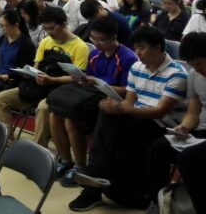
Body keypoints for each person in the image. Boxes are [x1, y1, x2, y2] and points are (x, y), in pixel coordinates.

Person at [69, 26, 188, 212]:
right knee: (107, 114)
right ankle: (95, 183)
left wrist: (120, 108)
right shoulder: (137, 67)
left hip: (162, 125)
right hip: (138, 117)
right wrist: (116, 107)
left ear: (157, 47)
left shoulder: (177, 74)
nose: (137, 53)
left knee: (112, 127)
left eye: (142, 48)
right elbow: (130, 101)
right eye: (135, 48)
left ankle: (93, 185)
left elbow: (159, 112)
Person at [50, 17, 137, 187]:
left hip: (111, 103)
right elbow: (89, 80)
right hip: (89, 98)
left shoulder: (128, 58)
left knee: (71, 120)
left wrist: (96, 83)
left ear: (113, 37)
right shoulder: (94, 54)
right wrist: (82, 79)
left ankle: (80, 167)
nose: (96, 43)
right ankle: (66, 161)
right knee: (55, 114)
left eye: (101, 40)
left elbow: (128, 91)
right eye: (93, 38)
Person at [0, 6, 89, 148]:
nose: (49, 32)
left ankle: (38, 149)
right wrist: (29, 73)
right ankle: (6, 144)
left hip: (60, 90)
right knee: (0, 99)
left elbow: (77, 79)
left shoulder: (80, 47)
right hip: (38, 86)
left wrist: (51, 80)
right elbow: (36, 66)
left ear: (64, 24)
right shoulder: (46, 41)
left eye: (52, 28)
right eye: (45, 28)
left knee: (43, 108)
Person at [146, 32, 206, 214]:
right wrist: (184, 127)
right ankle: (157, 202)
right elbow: (193, 112)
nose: (197, 68)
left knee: (188, 159)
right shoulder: (194, 75)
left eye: (200, 63)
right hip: (200, 132)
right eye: (192, 65)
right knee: (158, 149)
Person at [0, 9, 36, 112]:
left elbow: (24, 72)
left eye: (5, 26)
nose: (2, 29)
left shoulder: (26, 45)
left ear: (16, 25)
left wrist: (5, 76)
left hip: (11, 81)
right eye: (0, 26)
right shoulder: (2, 39)